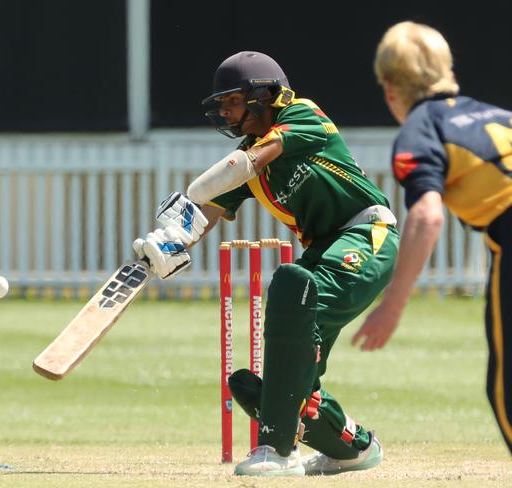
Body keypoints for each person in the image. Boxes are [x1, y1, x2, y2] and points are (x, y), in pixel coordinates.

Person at [133, 51, 399, 476]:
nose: (224, 112)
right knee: (298, 382)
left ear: (266, 96)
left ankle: (277, 450)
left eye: (232, 101)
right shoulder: (248, 156)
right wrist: (170, 243)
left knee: (291, 295)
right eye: (220, 105)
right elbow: (208, 214)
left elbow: (253, 160)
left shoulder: (302, 116)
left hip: (367, 235)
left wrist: (200, 190)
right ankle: (354, 448)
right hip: (321, 249)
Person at [355, 21, 512, 455]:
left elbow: (426, 216)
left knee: (506, 389)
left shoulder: (422, 128)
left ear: (390, 89)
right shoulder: (495, 114)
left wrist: (392, 305)